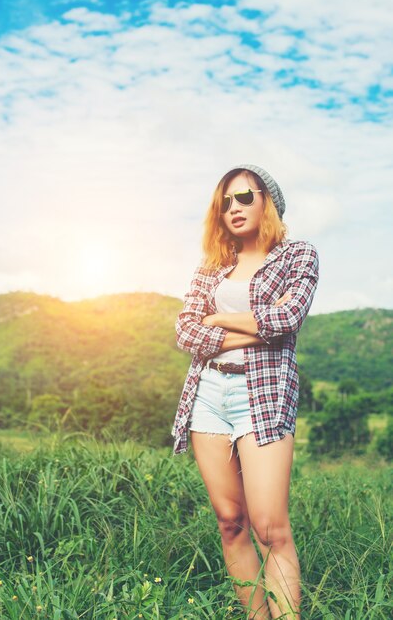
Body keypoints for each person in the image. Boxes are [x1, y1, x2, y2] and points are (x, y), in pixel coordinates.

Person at [171, 164, 319, 619]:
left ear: (267, 201)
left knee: (270, 526)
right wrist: (252, 327)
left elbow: (287, 319)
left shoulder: (298, 255)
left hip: (265, 392)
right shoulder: (212, 266)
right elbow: (186, 332)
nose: (234, 207)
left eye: (244, 197)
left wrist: (218, 320)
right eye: (226, 201)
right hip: (208, 393)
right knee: (230, 522)